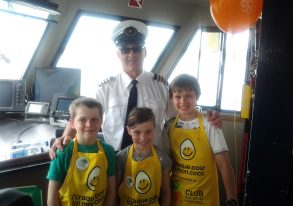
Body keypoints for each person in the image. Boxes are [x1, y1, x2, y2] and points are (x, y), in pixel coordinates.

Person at [49, 19, 221, 158]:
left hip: (153, 158)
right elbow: (84, 117)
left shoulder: (161, 86)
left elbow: (181, 114)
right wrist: (65, 138)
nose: (131, 55)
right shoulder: (105, 89)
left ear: (144, 52)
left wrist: (206, 115)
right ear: (118, 54)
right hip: (115, 159)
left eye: (137, 49)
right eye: (125, 50)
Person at [162, 74, 242, 206]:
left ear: (197, 97)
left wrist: (232, 203)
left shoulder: (209, 123)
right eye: (178, 96)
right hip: (178, 201)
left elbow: (224, 165)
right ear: (171, 99)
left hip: (204, 201)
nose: (183, 101)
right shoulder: (169, 126)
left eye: (188, 96)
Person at [47, 97, 116, 206]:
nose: (89, 125)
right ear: (72, 123)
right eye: (82, 120)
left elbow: (111, 192)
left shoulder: (108, 152)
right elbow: (51, 198)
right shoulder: (63, 153)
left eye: (94, 120)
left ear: (101, 121)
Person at [115, 107, 171, 206]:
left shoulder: (163, 159)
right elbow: (114, 192)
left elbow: (166, 192)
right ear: (129, 130)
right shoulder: (121, 158)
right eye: (137, 132)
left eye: (148, 131)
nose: (143, 138)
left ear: (154, 129)